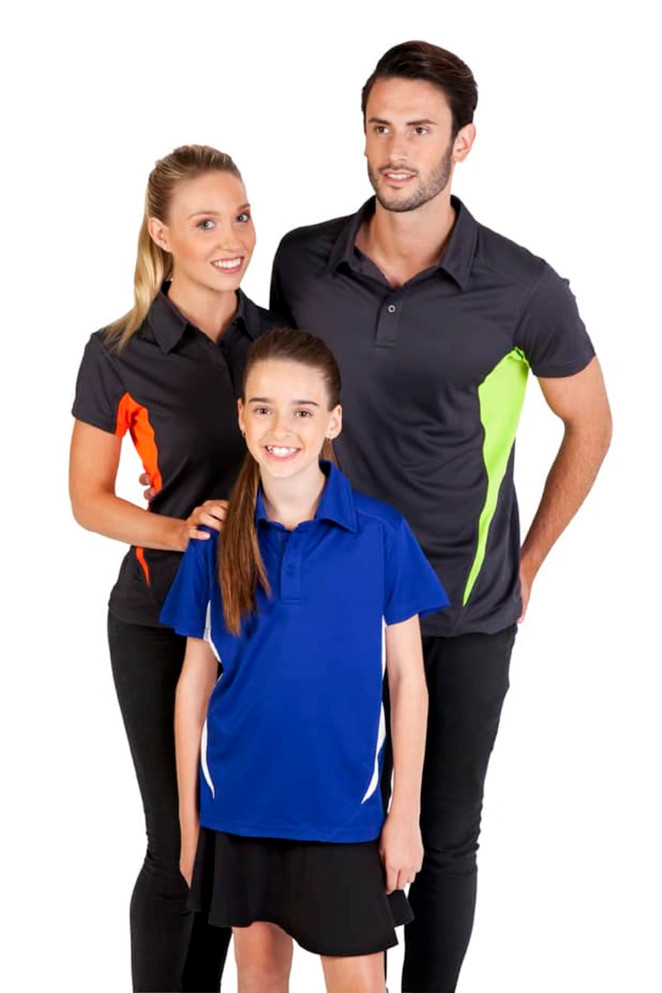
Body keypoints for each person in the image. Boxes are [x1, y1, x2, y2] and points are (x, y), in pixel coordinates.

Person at [270, 41, 612, 993]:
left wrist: (531, 559)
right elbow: (272, 404)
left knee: (444, 831)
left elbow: (590, 421)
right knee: (337, 812)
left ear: (464, 141)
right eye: (379, 126)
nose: (395, 149)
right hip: (328, 597)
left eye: (419, 129)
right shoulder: (305, 260)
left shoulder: (522, 287)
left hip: (461, 606)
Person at [159, 328, 449, 993]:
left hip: (344, 810)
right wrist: (187, 821)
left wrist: (404, 815)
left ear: (333, 421)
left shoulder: (380, 534)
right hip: (239, 808)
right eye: (262, 407)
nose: (280, 427)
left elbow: (408, 682)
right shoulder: (214, 540)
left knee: (359, 983)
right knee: (260, 977)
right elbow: (192, 686)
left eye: (303, 410)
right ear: (240, 415)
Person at [69, 144, 280, 992]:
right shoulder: (118, 351)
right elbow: (87, 498)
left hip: (266, 620)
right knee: (180, 836)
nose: (232, 238)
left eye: (240, 215)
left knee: (237, 835)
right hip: (160, 617)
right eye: (205, 223)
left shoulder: (280, 334)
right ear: (162, 234)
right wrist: (176, 526)